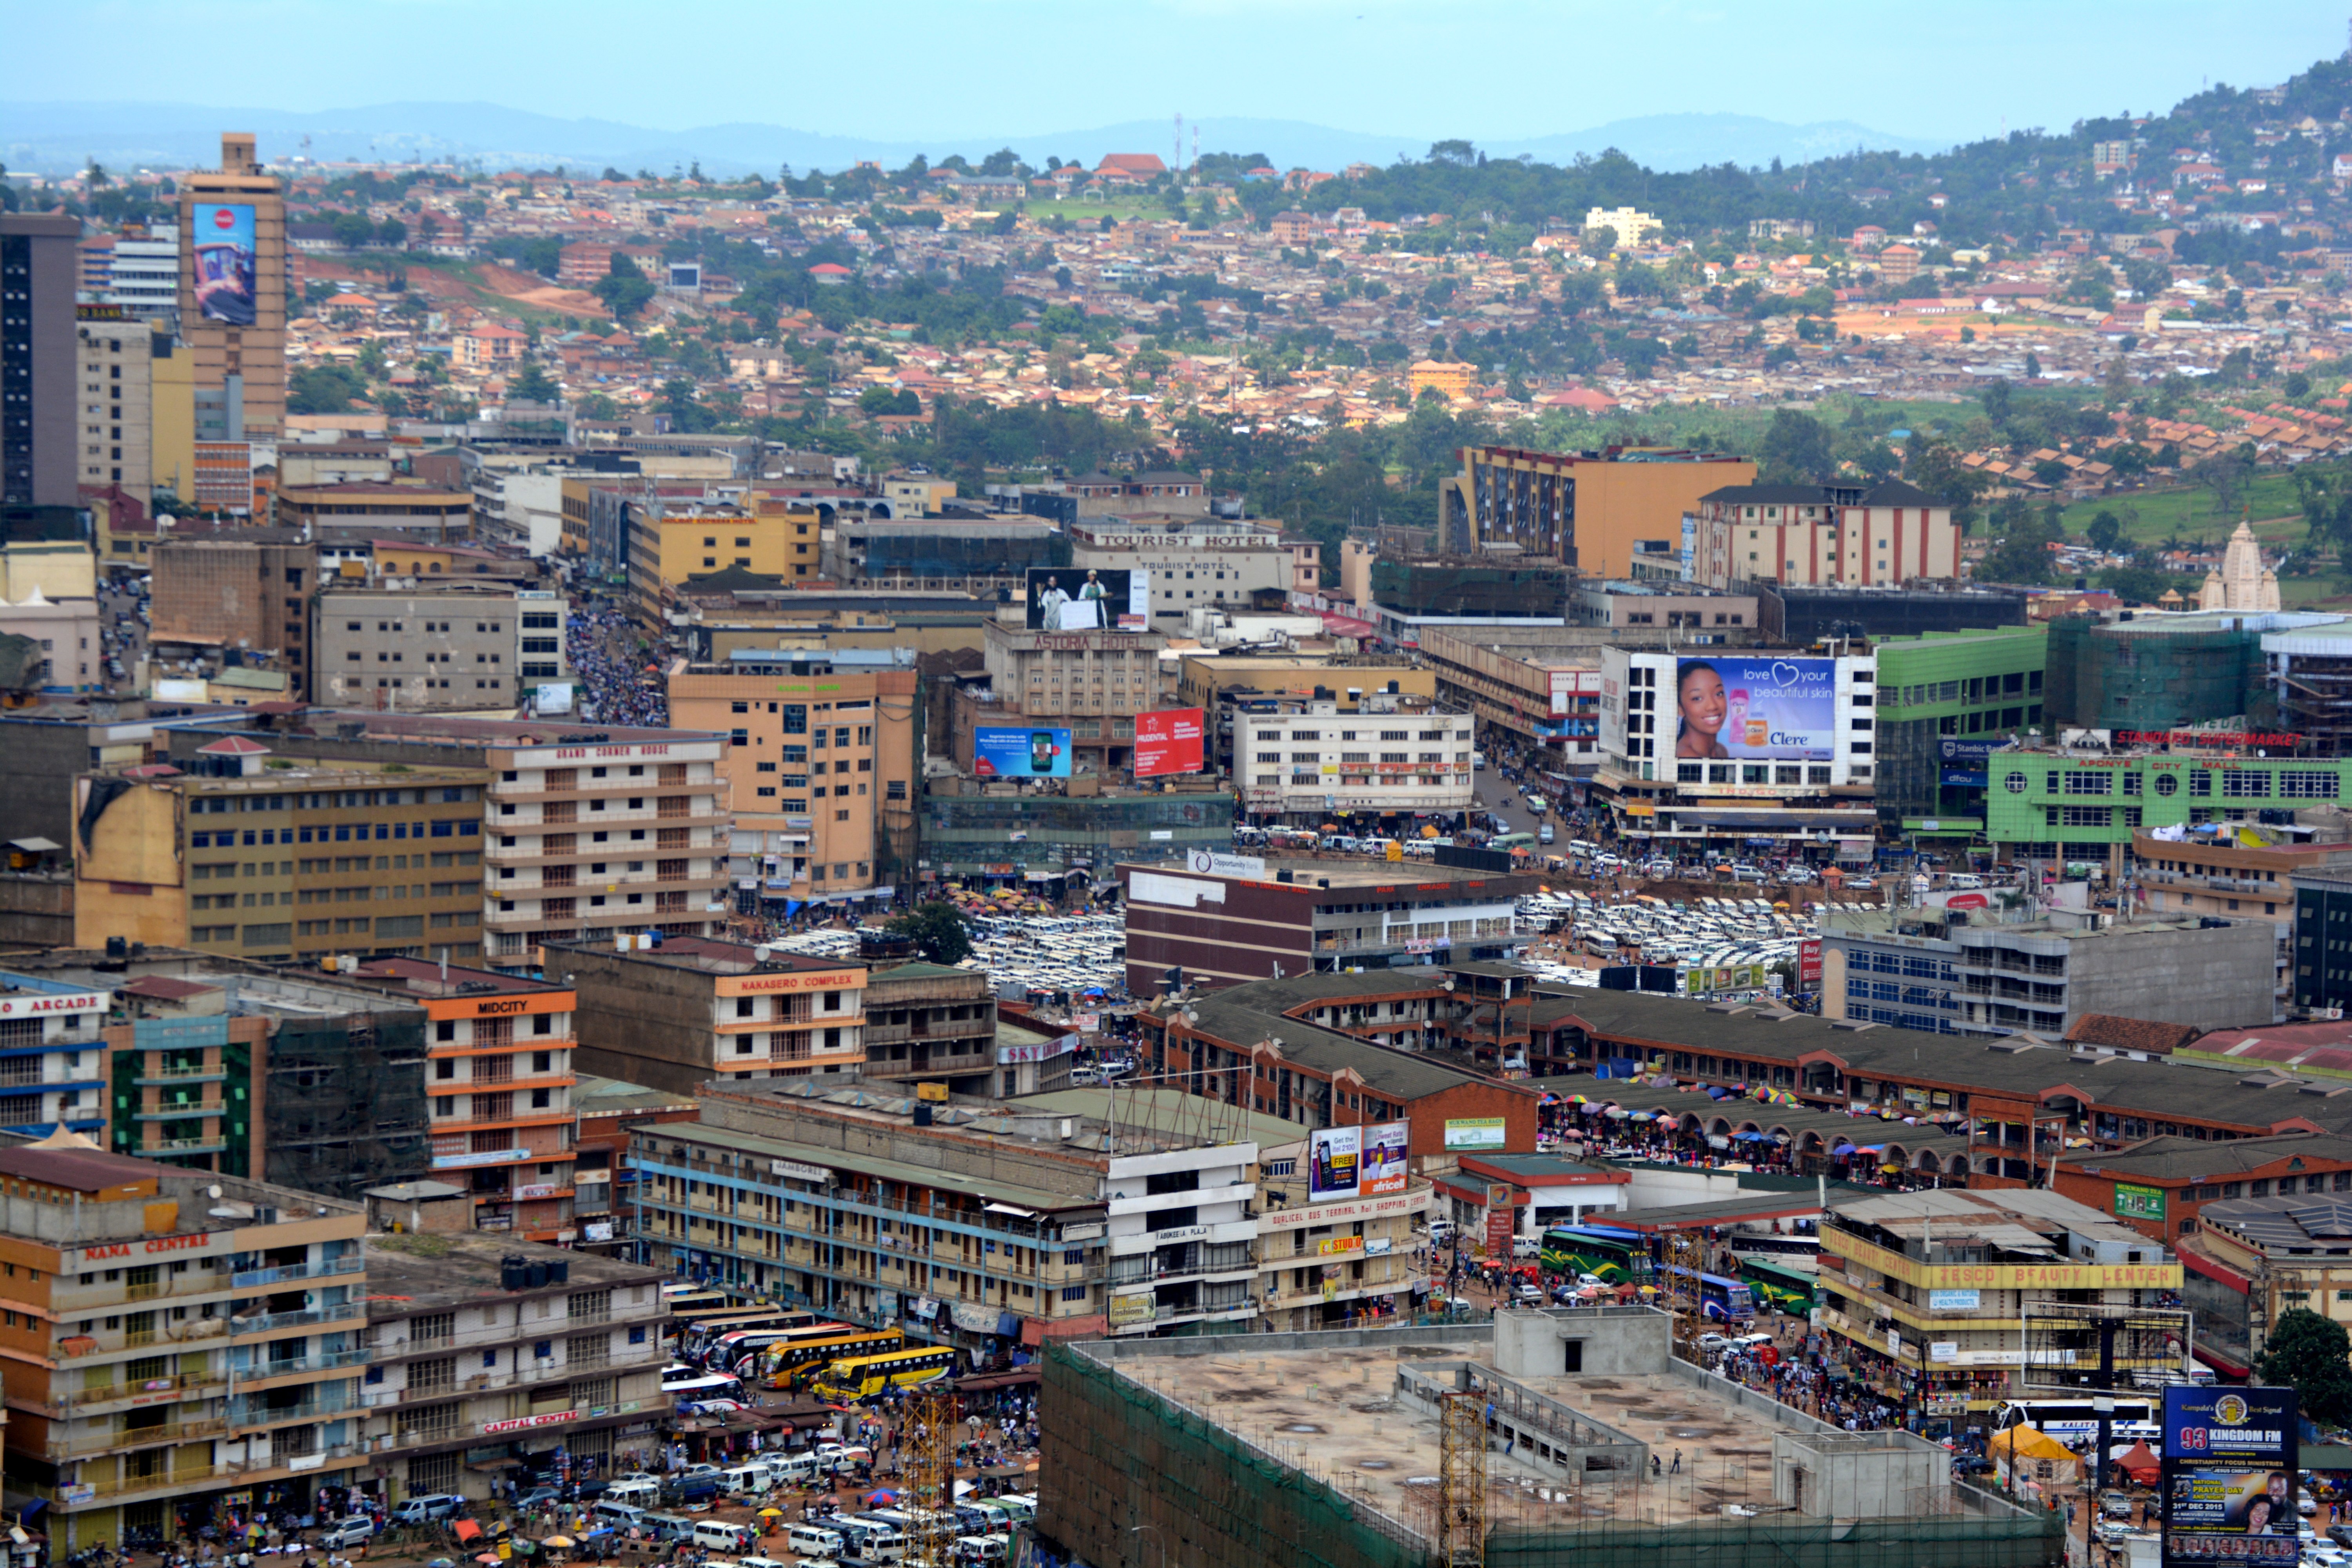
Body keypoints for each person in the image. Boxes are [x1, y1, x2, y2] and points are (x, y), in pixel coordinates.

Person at [1675, 662, 1733, 760]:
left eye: (1719, 694)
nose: (1712, 706)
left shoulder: (1721, 751)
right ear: (1680, 708)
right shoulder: (1687, 757)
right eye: (1697, 698)